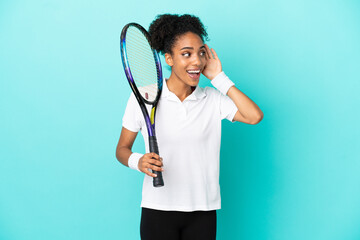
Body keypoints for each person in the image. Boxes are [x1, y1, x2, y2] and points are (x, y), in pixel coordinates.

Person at [116, 14, 263, 240]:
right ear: (169, 59)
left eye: (201, 53)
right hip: (157, 210)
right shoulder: (143, 96)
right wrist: (139, 161)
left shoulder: (213, 99)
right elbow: (122, 149)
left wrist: (219, 78)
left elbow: (254, 116)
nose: (197, 61)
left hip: (202, 211)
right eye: (186, 54)